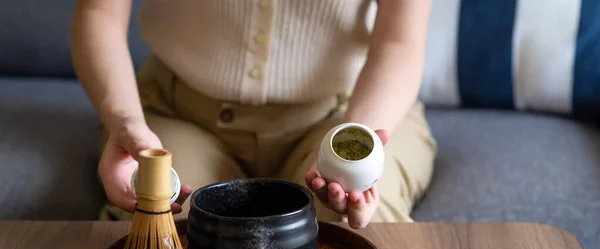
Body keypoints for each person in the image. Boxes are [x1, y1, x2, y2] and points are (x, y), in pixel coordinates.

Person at [71, 0, 437, 229]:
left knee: (355, 236)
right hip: (177, 110)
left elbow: (399, 41)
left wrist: (353, 150)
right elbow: (99, 13)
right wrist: (125, 120)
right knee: (171, 238)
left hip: (350, 109)